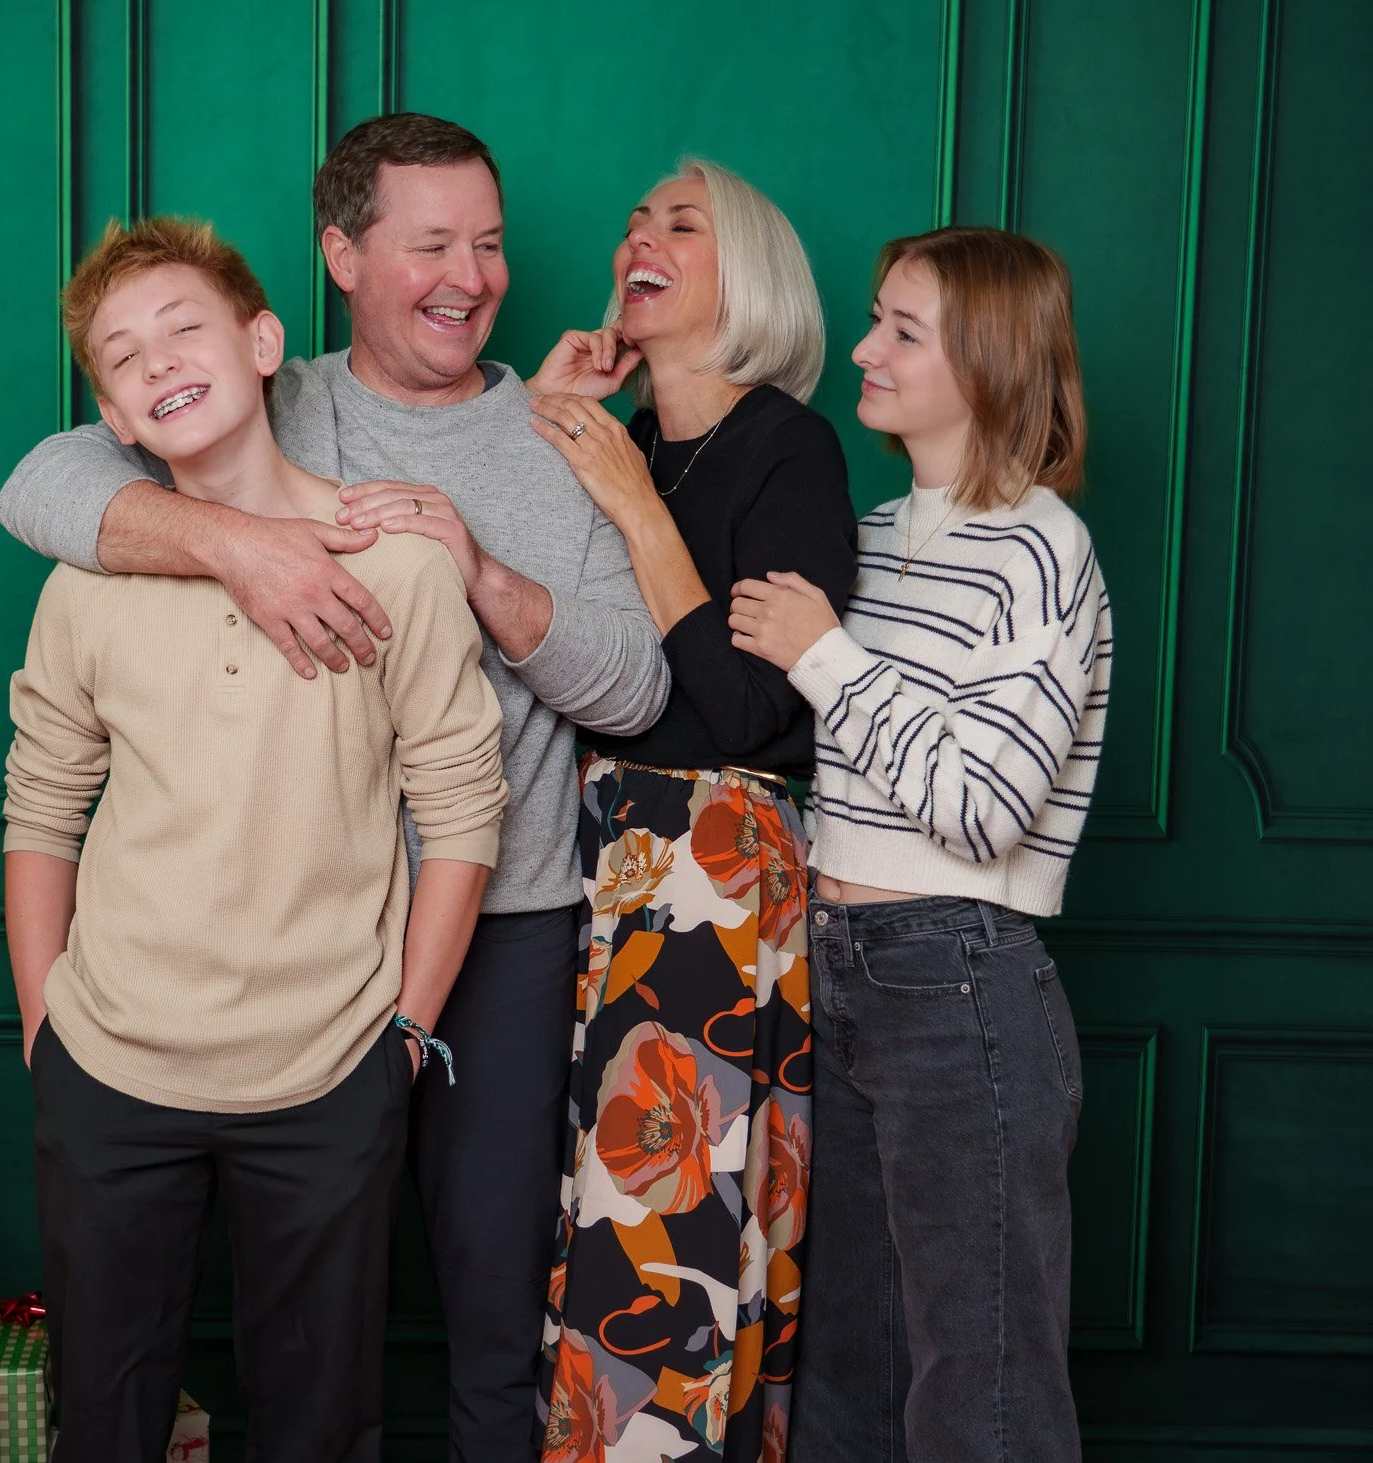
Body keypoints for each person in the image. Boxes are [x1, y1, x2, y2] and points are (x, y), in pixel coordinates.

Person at [0, 113, 668, 1458]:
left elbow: (631, 695)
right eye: (429, 245)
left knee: (470, 1321)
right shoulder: (251, 406)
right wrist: (238, 545)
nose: (467, 275)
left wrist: (478, 571)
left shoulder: (553, 437)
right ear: (342, 257)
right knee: (131, 1388)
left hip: (473, 942)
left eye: (486, 245)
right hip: (190, 1001)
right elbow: (42, 493)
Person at [2, 216, 509, 1462]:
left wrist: (400, 1037)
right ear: (111, 420)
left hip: (327, 1068)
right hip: (110, 1065)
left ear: (264, 342)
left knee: (319, 1428)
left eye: (183, 326)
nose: (158, 360)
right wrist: (43, 1023)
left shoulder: (394, 564)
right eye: (121, 357)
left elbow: (459, 806)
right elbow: (42, 803)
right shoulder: (86, 585)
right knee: (103, 1424)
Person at [728, 226, 1112, 1462]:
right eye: (872, 318)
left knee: (979, 1381)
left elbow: (984, 804)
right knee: (847, 1361)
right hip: (832, 966)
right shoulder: (874, 537)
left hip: (957, 978)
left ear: (989, 362)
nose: (861, 347)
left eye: (902, 329)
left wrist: (822, 653)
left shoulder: (1040, 548)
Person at [524, 159, 857, 1461]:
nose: (637, 239)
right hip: (595, 858)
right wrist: (551, 427)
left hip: (719, 868)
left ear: (752, 273)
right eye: (632, 222)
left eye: (681, 223)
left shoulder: (790, 445)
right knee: (585, 1222)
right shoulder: (625, 441)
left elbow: (751, 716)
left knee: (668, 1231)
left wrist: (632, 505)